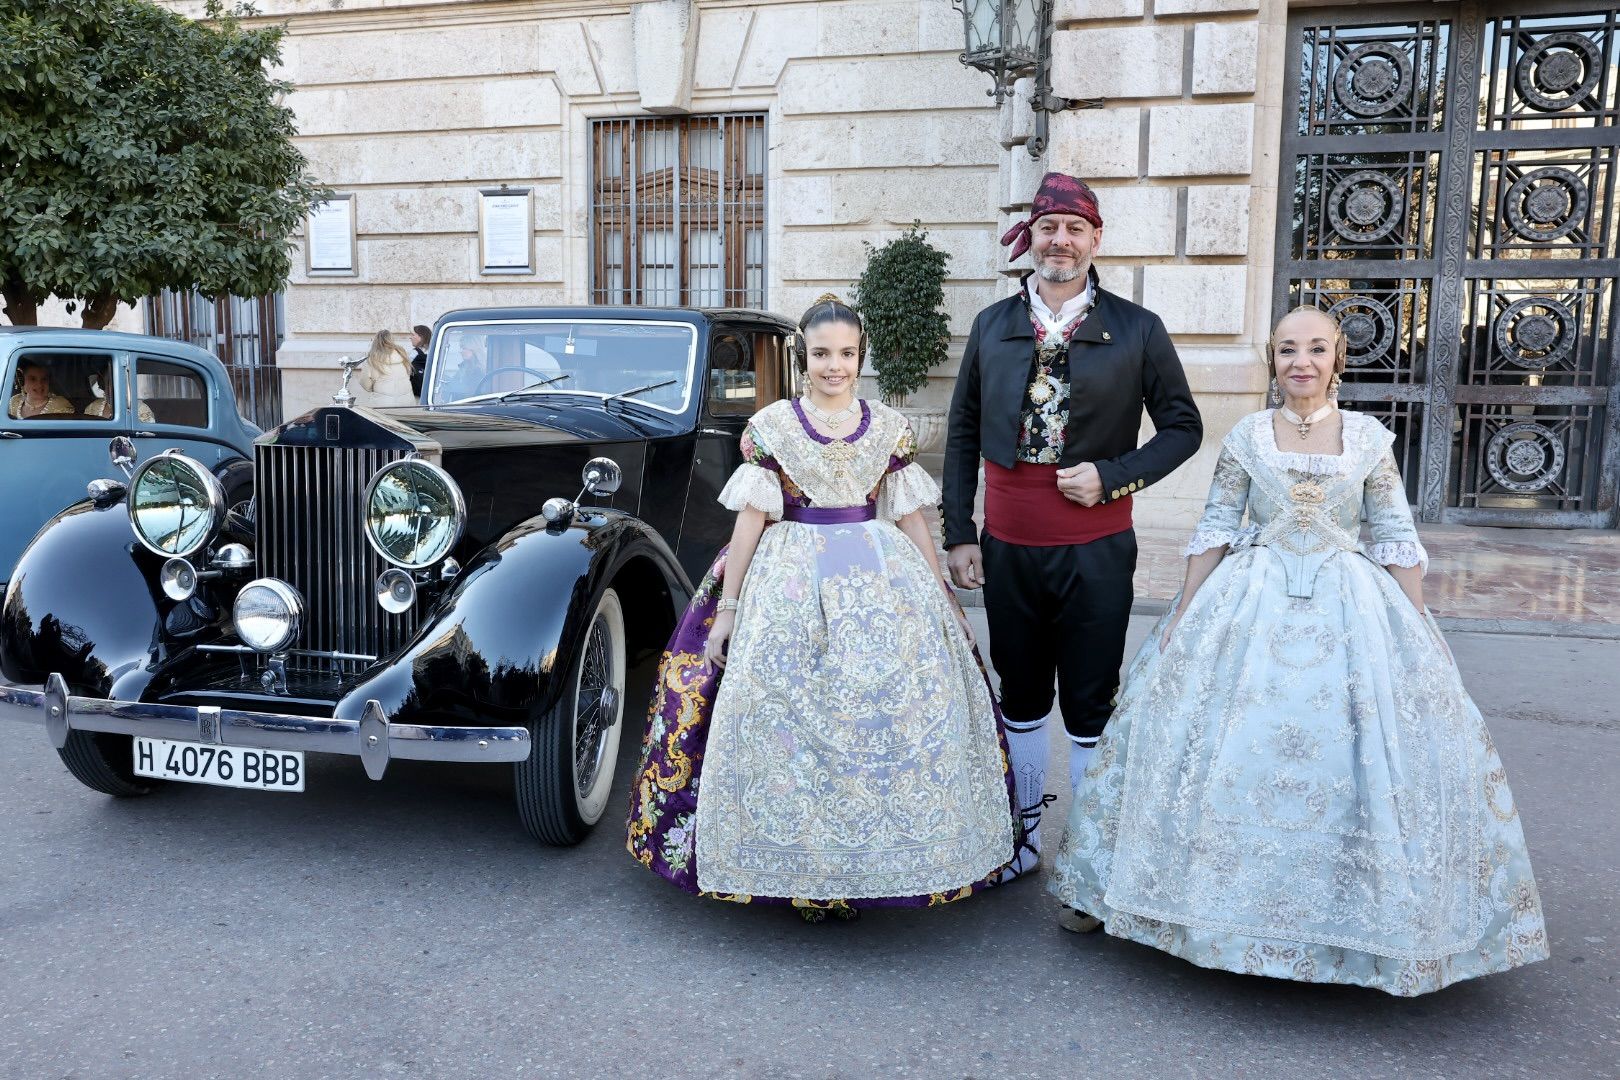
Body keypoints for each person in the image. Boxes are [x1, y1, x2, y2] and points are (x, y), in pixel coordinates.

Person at [1047, 306, 1549, 994]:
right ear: (1273, 361)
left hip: (1350, 604)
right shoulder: (1250, 435)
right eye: (1287, 350)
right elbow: (1219, 521)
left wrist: (1420, 627)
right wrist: (1185, 612)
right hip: (1250, 597)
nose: (1301, 362)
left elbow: (1393, 532)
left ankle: (1363, 924)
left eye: (1315, 349)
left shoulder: (1369, 437)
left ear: (1337, 358)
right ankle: (1165, 901)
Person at [628, 295, 1017, 920]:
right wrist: (729, 608)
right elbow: (753, 520)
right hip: (790, 580)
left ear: (861, 356)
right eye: (821, 354)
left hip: (880, 574)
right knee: (790, 723)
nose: (834, 366)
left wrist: (940, 590)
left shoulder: (888, 425)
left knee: (878, 721)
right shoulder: (773, 426)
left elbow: (909, 512)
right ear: (802, 357)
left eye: (847, 354)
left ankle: (873, 861)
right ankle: (799, 868)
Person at [943, 172, 1202, 881]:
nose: (1060, 241)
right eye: (1049, 227)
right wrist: (959, 530)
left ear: (1095, 240)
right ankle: (1024, 839)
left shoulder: (1137, 328)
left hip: (1096, 549)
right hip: (1010, 547)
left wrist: (1114, 475)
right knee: (1020, 694)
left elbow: (1184, 428)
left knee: (1090, 701)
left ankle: (1085, 854)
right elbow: (963, 429)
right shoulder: (993, 324)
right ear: (1031, 237)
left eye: (1074, 228)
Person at [359, 330, 414, 404]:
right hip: (406, 402)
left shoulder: (371, 359)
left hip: (382, 403)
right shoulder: (402, 354)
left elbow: (365, 384)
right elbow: (408, 373)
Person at [8, 359, 74, 418]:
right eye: (33, 379)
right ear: (22, 381)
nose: (39, 385)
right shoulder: (14, 402)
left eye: (44, 379)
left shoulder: (60, 405)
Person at [408, 324, 431, 399]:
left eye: (413, 335)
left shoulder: (414, 353)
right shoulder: (433, 351)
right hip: (429, 393)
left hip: (416, 395)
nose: (410, 337)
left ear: (421, 337)